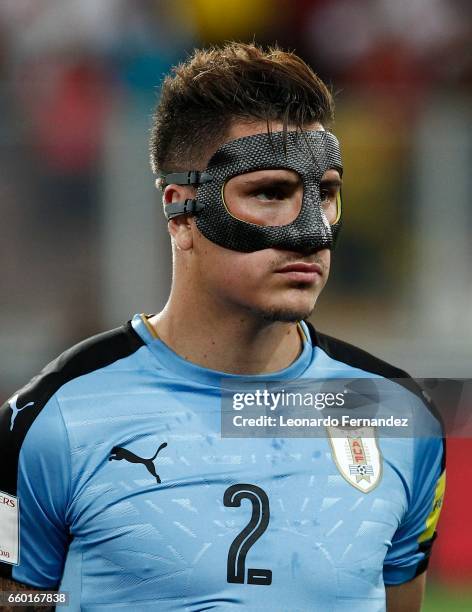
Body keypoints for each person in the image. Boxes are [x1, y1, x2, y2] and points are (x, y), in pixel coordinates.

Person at [0, 42, 445, 612]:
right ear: (182, 211)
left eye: (326, 193)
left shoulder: (398, 415)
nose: (311, 231)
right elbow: (19, 600)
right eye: (270, 192)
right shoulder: (53, 419)